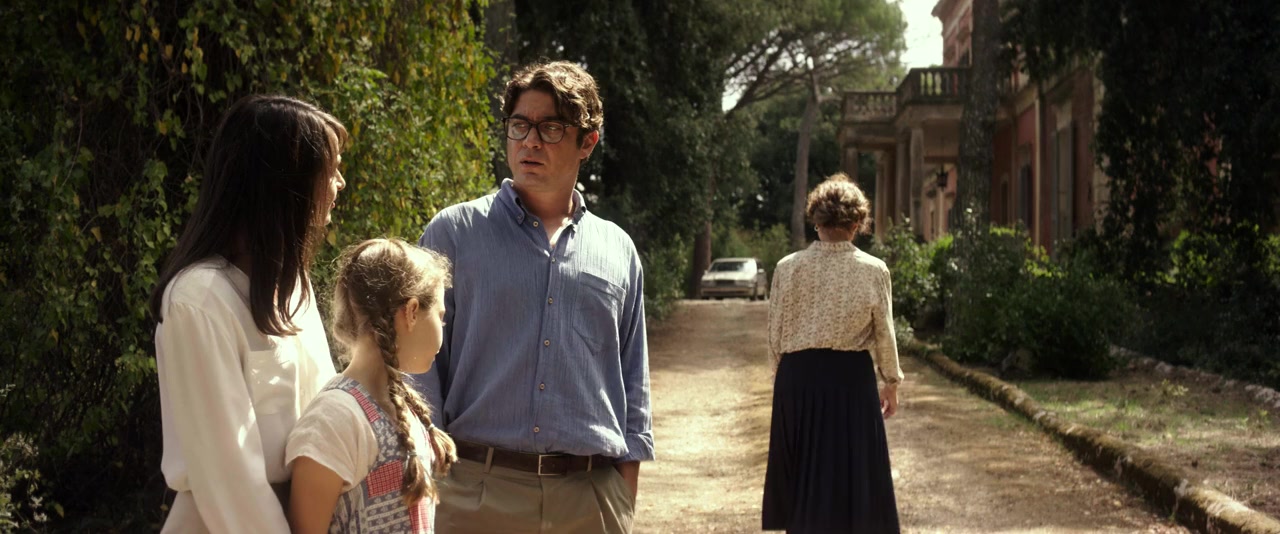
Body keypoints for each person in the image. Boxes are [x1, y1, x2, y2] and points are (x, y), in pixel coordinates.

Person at [413, 60, 653, 534]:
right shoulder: (453, 233)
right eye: (520, 125)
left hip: (590, 502)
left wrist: (620, 497)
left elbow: (633, 380)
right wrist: (432, 477)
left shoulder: (618, 249)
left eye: (551, 128)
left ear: (588, 142)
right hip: (474, 496)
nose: (530, 141)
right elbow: (418, 365)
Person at [148, 94, 348, 532]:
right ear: (285, 180)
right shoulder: (199, 300)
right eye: (329, 169)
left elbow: (327, 411)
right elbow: (229, 479)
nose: (340, 183)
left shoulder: (293, 286)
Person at [286, 238, 459, 533]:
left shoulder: (402, 405)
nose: (442, 329)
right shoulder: (335, 419)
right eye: (440, 318)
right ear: (412, 311)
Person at [762, 172, 904, 533]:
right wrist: (890, 382)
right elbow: (884, 332)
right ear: (857, 224)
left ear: (816, 220)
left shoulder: (787, 268)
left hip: (797, 379)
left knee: (804, 478)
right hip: (850, 381)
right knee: (853, 475)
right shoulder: (874, 270)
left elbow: (775, 334)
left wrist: (783, 381)